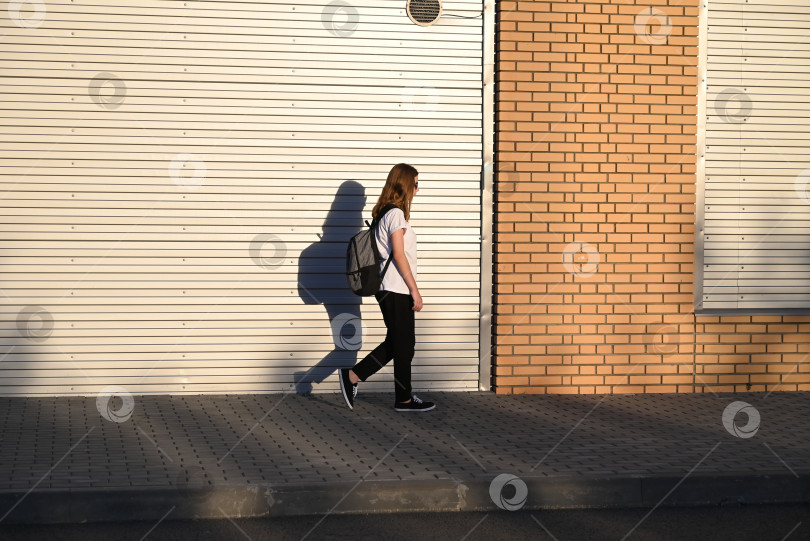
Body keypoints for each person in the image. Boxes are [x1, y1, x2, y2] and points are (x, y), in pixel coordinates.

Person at [339, 163, 435, 412]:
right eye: (415, 183)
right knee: (404, 345)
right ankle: (402, 399)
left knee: (398, 343)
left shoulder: (385, 213)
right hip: (396, 289)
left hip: (390, 288)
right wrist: (415, 289)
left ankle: (353, 376)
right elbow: (399, 255)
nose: (418, 188)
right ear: (405, 185)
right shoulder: (394, 215)